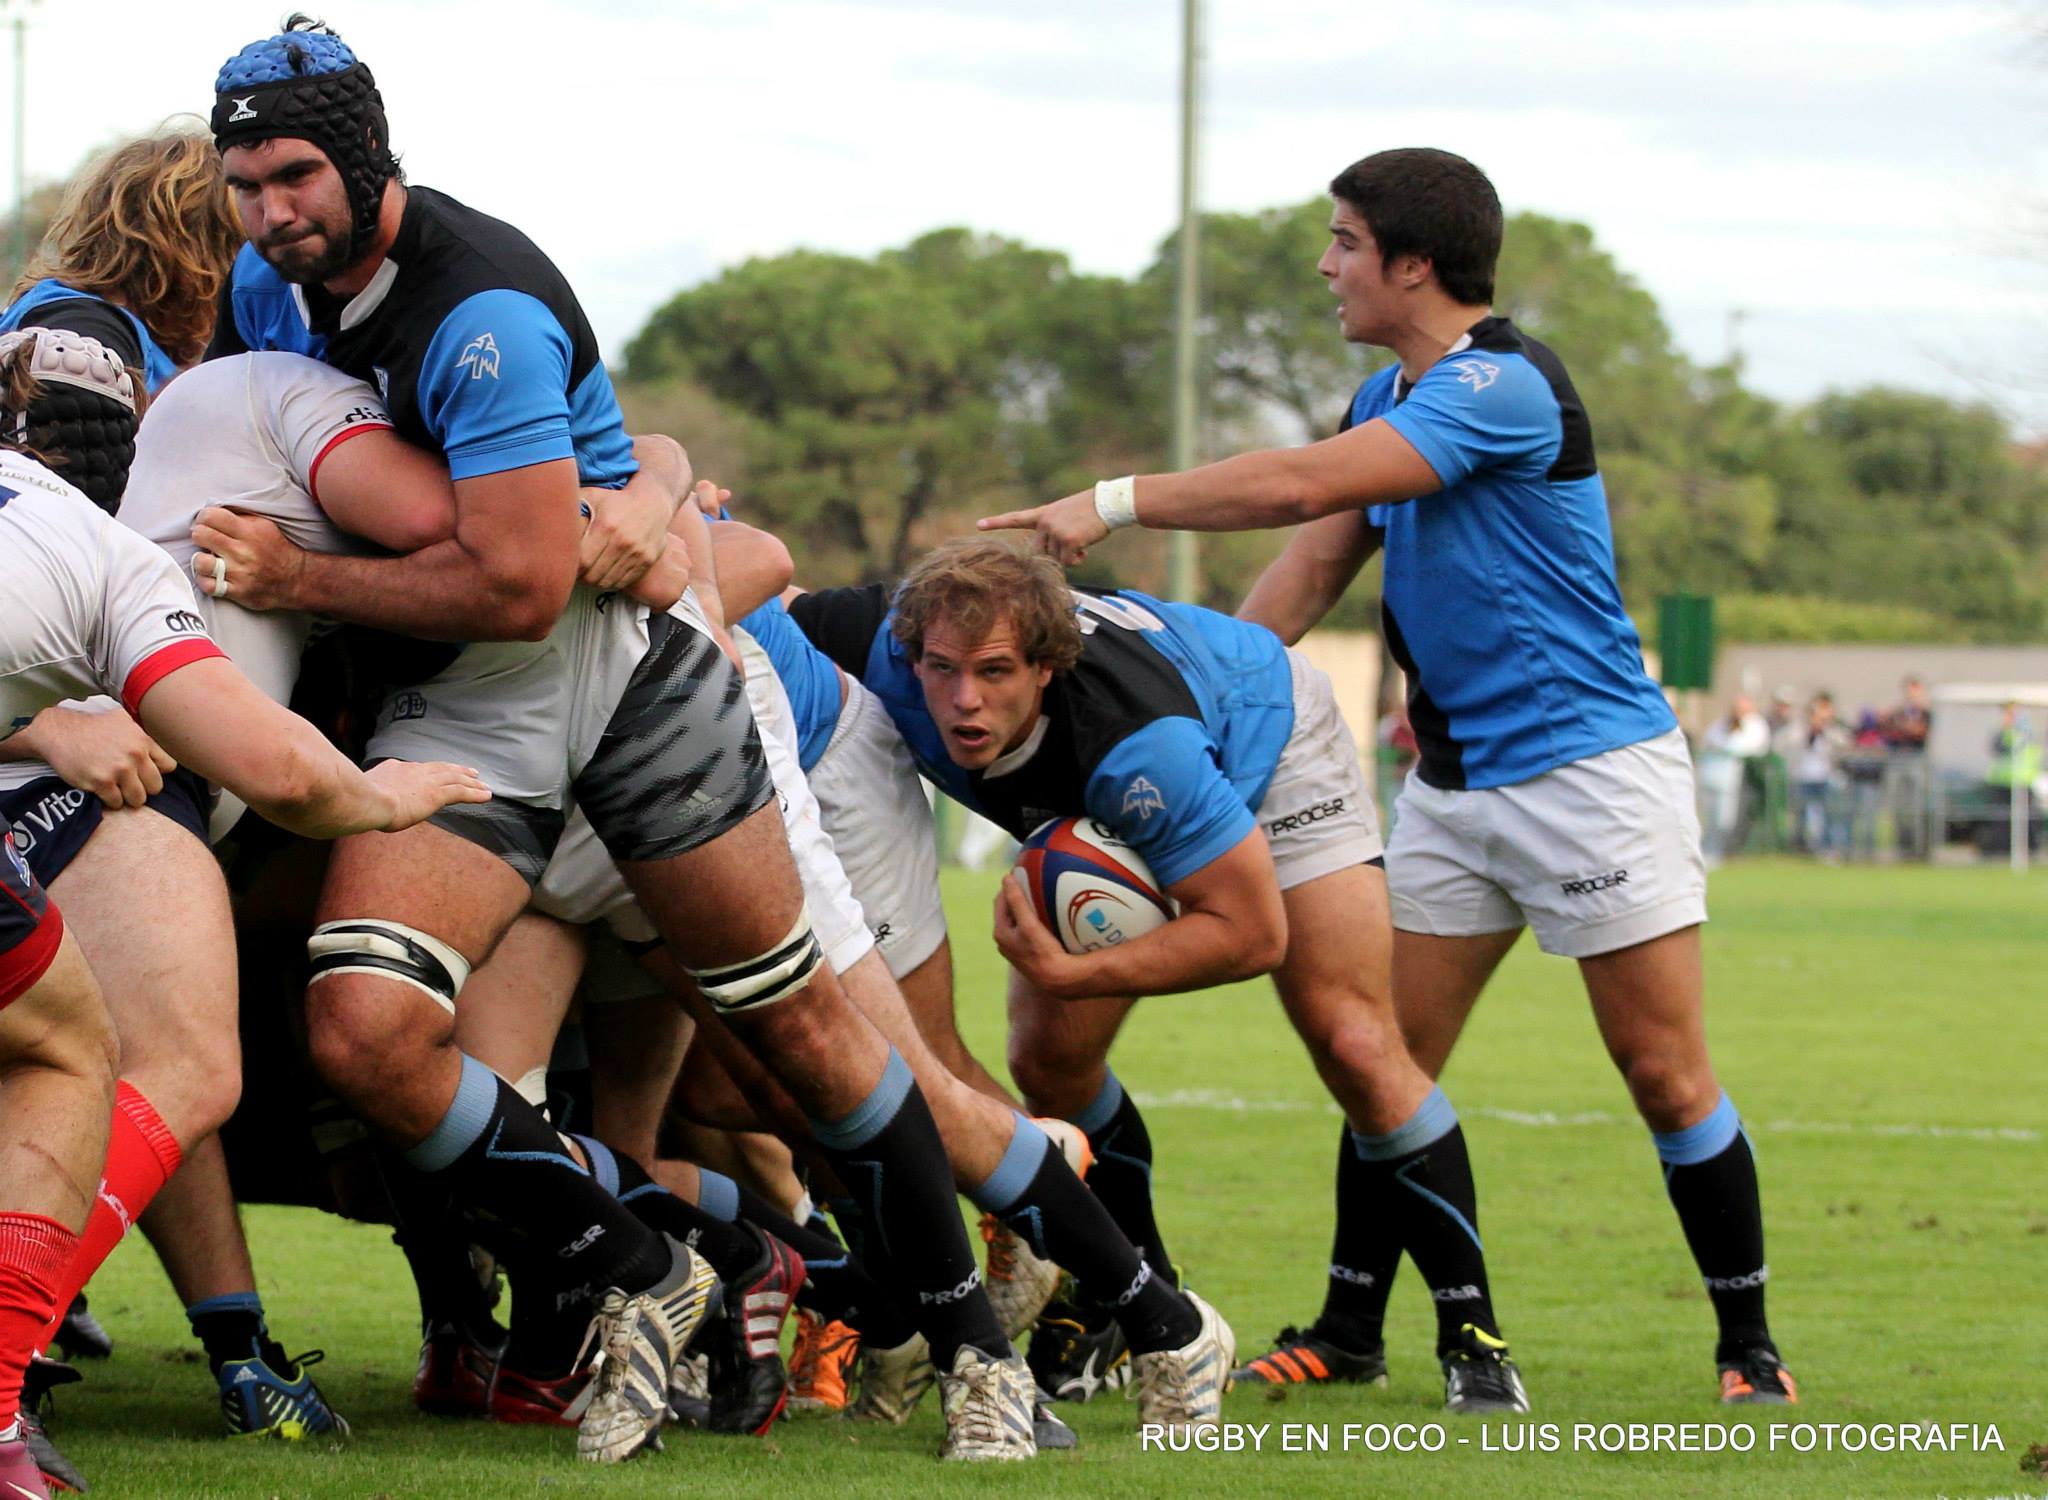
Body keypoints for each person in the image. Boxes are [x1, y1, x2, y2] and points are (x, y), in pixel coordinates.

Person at [195, 17, 1037, 1460]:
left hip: (616, 675)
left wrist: (301, 581)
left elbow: (523, 586)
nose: (273, 210)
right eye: (245, 183)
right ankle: (648, 1266)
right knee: (368, 1036)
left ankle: (978, 1353)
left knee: (802, 1040)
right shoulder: (264, 295)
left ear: (364, 156)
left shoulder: (483, 307)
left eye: (295, 175)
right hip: (458, 706)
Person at [981, 146, 1795, 1404]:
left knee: (1660, 1070)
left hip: (1592, 777)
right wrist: (1211, 705)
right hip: (1450, 793)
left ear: (1413, 263)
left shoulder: (1504, 388)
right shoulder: (1384, 398)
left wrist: (1110, 501)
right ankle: (1350, 1328)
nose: (1326, 266)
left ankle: (1748, 1349)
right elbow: (1305, 569)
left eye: (1345, 242)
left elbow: (1296, 483)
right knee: (1378, 1059)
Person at [792, 537, 1530, 1415]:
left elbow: (1252, 934)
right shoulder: (872, 636)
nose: (961, 699)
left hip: (1265, 734)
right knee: (1048, 1062)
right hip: (1094, 796)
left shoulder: (1139, 745)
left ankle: (1475, 1339)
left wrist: (1070, 975)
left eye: (993, 672)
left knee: (1355, 1037)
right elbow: (761, 596)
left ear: (1046, 666)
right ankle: (1140, 1298)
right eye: (941, 670)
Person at [0, 347, 488, 1499]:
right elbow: (280, 769)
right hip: (140, 791)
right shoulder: (103, 552)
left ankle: (225, 1342)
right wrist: (387, 798)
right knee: (83, 1049)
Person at [1696, 694, 1768, 862]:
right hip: (1712, 776)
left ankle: (1722, 851)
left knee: (1725, 819)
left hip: (1739, 781)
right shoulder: (1721, 724)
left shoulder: (1756, 725)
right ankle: (1708, 851)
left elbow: (1750, 748)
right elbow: (1710, 742)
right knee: (1709, 817)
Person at [1882, 676, 1933, 858]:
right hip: (1897, 760)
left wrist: (1906, 728)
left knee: (1918, 807)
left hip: (1916, 760)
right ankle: (1901, 846)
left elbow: (1920, 732)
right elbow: (1889, 729)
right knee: (1898, 807)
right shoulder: (1898, 712)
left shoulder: (1925, 713)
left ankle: (1918, 849)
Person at [1791, 694, 1845, 858]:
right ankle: (1802, 848)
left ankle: (1828, 848)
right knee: (1802, 815)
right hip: (1804, 777)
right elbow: (1789, 743)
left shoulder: (1833, 730)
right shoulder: (1800, 729)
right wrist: (1810, 730)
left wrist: (1824, 730)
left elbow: (1842, 745)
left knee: (1828, 814)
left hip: (1825, 777)